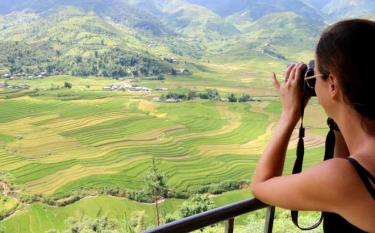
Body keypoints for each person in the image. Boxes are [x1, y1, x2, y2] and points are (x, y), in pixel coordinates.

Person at [250, 19, 375, 232]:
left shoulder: (341, 179)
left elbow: (261, 184)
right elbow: (350, 160)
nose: (314, 84)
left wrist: (289, 113)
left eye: (315, 75)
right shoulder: (355, 170)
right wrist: (340, 119)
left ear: (333, 84)